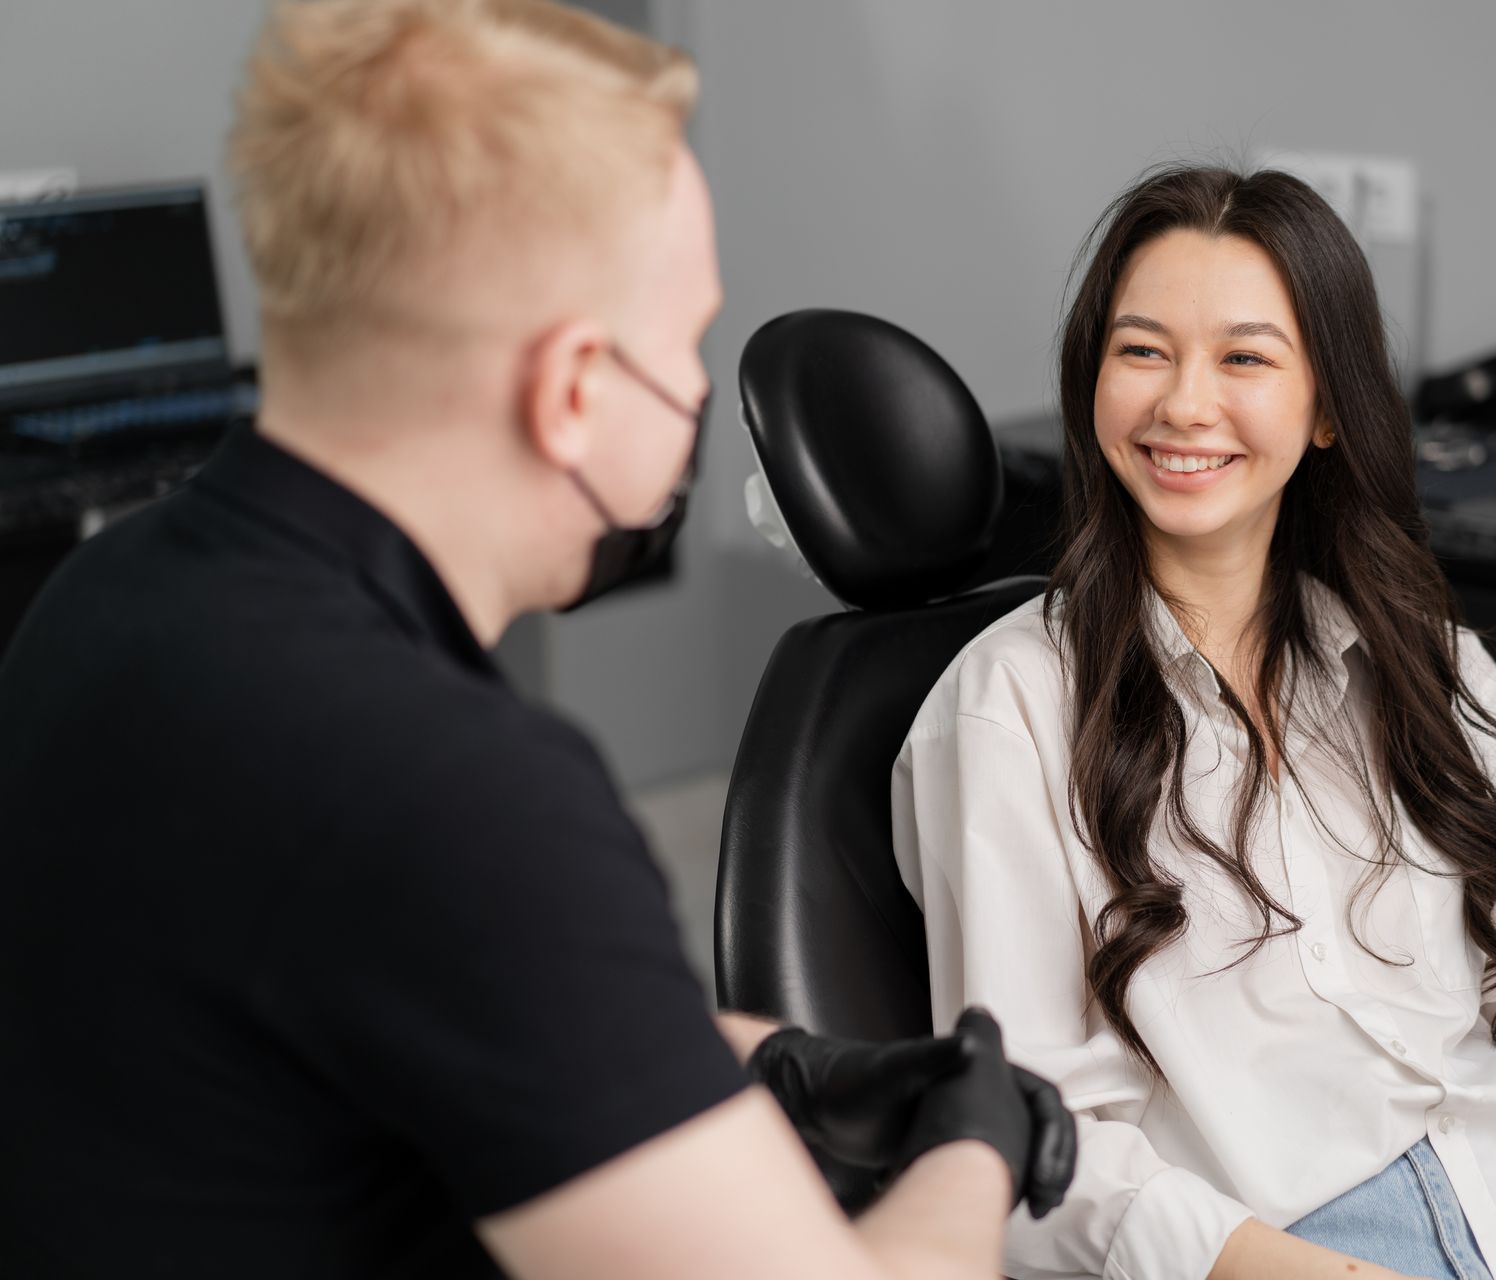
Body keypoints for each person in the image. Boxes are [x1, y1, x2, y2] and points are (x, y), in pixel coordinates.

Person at [0, 2, 1071, 1276]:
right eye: (684, 341)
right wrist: (974, 1142)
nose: (690, 394)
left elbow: (486, 1006)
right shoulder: (457, 787)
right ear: (572, 390)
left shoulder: (99, 603)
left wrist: (800, 1067)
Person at [891, 165, 1496, 1280]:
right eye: (1142, 350)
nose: (1183, 404)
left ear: (1330, 406)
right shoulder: (1010, 705)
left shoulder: (1432, 665)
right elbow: (1040, 1151)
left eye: (1244, 357)